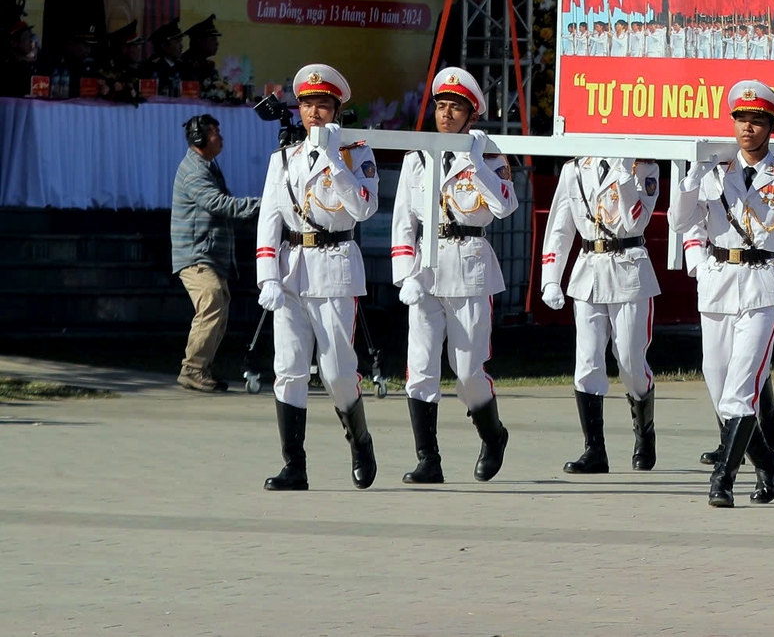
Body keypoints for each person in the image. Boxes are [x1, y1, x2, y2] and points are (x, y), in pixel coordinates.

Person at [670, 80, 774, 507]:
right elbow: (683, 224)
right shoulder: (715, 170)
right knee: (719, 387)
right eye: (741, 119)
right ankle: (769, 462)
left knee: (741, 389)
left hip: (763, 285)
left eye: (757, 121)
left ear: (772, 126)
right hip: (718, 281)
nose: (747, 128)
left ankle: (724, 479)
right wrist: (689, 182)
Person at [254, 65, 381, 490]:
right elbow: (269, 219)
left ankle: (359, 440)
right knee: (288, 368)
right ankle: (294, 465)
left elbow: (363, 208)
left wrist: (332, 160)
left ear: (336, 109)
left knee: (337, 370)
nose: (313, 113)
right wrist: (266, 276)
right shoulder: (282, 158)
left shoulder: (356, 152)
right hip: (292, 267)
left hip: (335, 267)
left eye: (322, 105)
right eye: (307, 104)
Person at [389, 68, 517, 484]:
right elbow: (404, 222)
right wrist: (403, 273)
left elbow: (504, 207)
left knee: (467, 372)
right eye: (441, 106)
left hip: (469, 266)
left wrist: (473, 162)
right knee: (420, 368)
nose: (445, 114)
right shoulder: (417, 156)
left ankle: (493, 434)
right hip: (425, 269)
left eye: (455, 108)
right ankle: (428, 459)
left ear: (470, 115)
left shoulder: (490, 155)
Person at [539, 145, 663, 476]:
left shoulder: (644, 167)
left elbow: (635, 221)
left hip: (629, 269)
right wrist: (551, 279)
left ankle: (644, 434)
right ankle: (594, 449)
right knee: (587, 362)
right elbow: (560, 227)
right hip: (588, 270)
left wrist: (624, 174)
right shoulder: (574, 169)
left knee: (631, 363)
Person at [170, 113, 259, 392]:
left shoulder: (207, 166)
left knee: (217, 304)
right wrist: (265, 205)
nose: (220, 138)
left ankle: (200, 368)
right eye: (214, 133)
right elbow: (218, 203)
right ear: (199, 139)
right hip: (196, 255)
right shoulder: (196, 171)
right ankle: (193, 369)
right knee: (211, 300)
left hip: (207, 255)